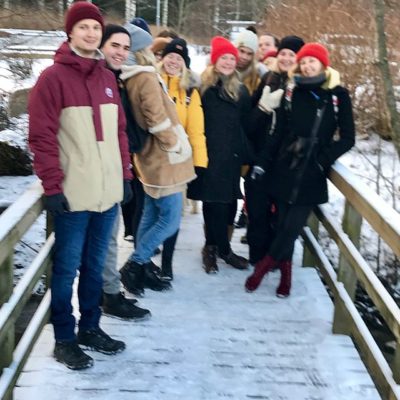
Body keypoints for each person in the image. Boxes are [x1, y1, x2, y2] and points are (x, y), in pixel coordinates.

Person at [28, 2, 131, 370]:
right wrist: (52, 185)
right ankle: (64, 338)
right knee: (66, 268)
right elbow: (41, 137)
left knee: (93, 265)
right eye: (83, 27)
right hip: (73, 194)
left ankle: (90, 327)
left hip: (107, 194)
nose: (90, 33)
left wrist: (125, 175)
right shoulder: (52, 79)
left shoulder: (106, 77)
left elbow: (119, 133)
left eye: (95, 27)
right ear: (70, 32)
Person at [245, 42, 355, 297]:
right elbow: (278, 133)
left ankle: (263, 267)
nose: (306, 66)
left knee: (292, 227)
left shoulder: (337, 95)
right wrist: (262, 162)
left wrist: (322, 159)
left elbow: (348, 138)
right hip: (285, 168)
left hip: (312, 173)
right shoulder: (292, 92)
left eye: (312, 61)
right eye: (303, 62)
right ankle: (286, 276)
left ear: (323, 64)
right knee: (283, 224)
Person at [119, 24, 196, 295]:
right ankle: (135, 265)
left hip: (150, 159)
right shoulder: (144, 77)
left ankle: (143, 267)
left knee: (151, 214)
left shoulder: (128, 76)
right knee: (170, 219)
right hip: (164, 160)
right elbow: (155, 117)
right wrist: (174, 144)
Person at [99, 24, 151, 320]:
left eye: (126, 48)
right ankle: (105, 298)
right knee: (95, 245)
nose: (121, 53)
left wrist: (125, 173)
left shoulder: (114, 79)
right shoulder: (101, 79)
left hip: (115, 171)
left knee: (108, 238)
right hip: (92, 177)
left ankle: (110, 293)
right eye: (114, 46)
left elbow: (121, 130)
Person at [187, 36, 252, 274]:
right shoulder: (202, 89)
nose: (228, 62)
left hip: (232, 157)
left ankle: (220, 248)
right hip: (209, 155)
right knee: (212, 202)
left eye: (232, 58)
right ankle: (214, 249)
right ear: (214, 60)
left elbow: (249, 123)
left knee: (229, 203)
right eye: (223, 57)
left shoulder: (241, 91)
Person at [245, 35, 305, 265]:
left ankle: (276, 258)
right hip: (260, 158)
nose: (286, 58)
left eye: (292, 55)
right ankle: (257, 258)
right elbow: (249, 125)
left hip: (286, 162)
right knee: (257, 211)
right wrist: (262, 108)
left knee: (281, 216)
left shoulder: (304, 88)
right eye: (283, 54)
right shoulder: (268, 80)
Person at [158, 37, 208, 280]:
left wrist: (200, 163)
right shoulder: (150, 82)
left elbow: (196, 131)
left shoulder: (190, 92)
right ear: (162, 58)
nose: (174, 61)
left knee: (173, 213)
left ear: (185, 64)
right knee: (148, 213)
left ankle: (166, 263)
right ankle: (143, 259)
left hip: (178, 160)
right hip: (151, 159)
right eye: (170, 56)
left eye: (179, 58)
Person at [234, 29, 264, 95]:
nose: (244, 57)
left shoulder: (257, 79)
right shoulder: (222, 72)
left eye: (249, 54)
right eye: (241, 51)